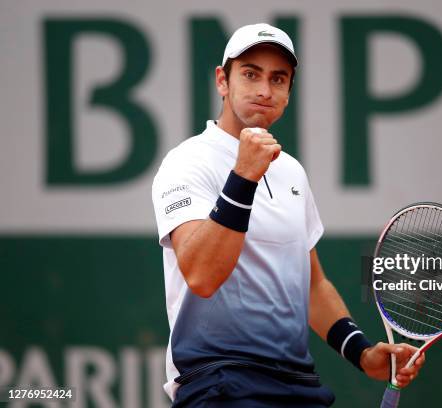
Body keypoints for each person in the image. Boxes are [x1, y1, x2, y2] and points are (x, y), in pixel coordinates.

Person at [152, 23, 425, 407]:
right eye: (250, 74)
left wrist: (361, 353)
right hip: (220, 383)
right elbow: (200, 275)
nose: (264, 90)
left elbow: (312, 286)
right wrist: (243, 177)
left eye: (278, 79)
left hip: (298, 385)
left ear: (288, 93)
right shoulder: (187, 162)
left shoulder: (292, 172)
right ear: (222, 81)